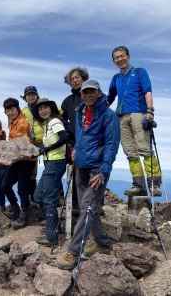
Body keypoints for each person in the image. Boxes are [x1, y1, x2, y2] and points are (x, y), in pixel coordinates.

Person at [57, 80, 120, 270]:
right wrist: (76, 149)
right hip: (80, 166)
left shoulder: (108, 115)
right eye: (85, 92)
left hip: (96, 169)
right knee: (89, 208)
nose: (88, 95)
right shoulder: (79, 112)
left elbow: (111, 144)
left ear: (99, 93)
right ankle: (101, 241)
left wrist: (103, 170)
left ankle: (73, 251)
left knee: (86, 209)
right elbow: (81, 137)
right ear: (82, 94)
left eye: (92, 92)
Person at [108, 45, 161, 196]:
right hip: (121, 117)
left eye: (121, 56)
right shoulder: (116, 78)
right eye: (116, 57)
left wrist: (150, 111)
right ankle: (138, 184)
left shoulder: (139, 72)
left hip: (139, 113)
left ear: (128, 56)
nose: (119, 59)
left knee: (145, 149)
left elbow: (147, 91)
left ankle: (154, 184)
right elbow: (110, 98)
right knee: (130, 152)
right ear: (114, 61)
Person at [32, 98, 67, 249]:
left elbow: (65, 138)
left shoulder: (54, 122)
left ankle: (51, 237)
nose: (43, 111)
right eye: (40, 109)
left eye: (46, 108)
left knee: (46, 198)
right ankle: (54, 228)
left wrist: (47, 149)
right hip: (50, 163)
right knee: (40, 196)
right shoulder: (47, 124)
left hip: (56, 162)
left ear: (51, 109)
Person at [61, 67, 90, 222]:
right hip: (73, 142)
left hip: (90, 142)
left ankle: (93, 207)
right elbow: (62, 119)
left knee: (91, 174)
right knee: (75, 175)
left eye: (77, 77)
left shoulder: (92, 96)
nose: (75, 80)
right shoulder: (67, 102)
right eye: (72, 79)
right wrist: (68, 131)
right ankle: (76, 208)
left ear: (84, 78)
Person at [2, 97, 34, 229]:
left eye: (12, 109)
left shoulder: (22, 123)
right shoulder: (13, 122)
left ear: (17, 108)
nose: (10, 112)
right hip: (17, 160)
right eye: (7, 110)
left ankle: (24, 215)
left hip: (26, 160)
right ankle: (16, 210)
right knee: (5, 186)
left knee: (22, 189)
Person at [21, 86, 43, 201]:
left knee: (51, 166)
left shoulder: (44, 105)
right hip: (31, 143)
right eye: (28, 95)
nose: (31, 96)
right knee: (31, 170)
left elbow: (59, 113)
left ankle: (58, 196)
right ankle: (32, 197)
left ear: (36, 95)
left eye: (33, 94)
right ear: (25, 97)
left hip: (45, 140)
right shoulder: (23, 111)